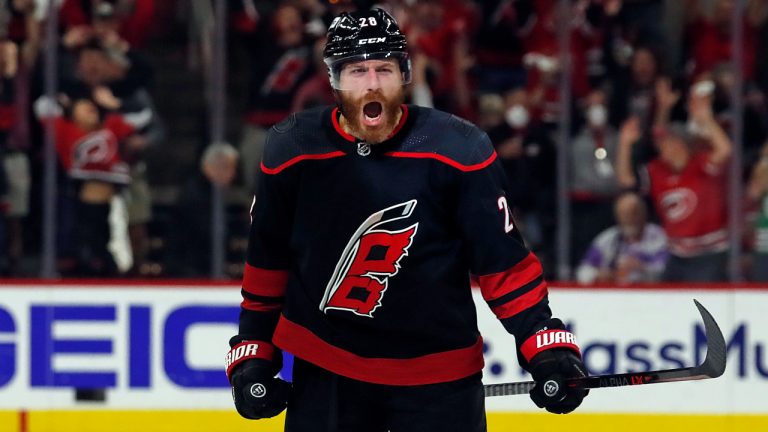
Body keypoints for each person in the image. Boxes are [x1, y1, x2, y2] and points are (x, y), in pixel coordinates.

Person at [224, 9, 588, 431]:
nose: (373, 83)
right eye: (357, 71)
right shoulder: (292, 148)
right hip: (327, 373)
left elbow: (502, 265)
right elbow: (268, 263)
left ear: (406, 75)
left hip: (438, 375)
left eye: (384, 69)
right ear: (334, 80)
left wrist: (543, 344)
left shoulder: (459, 149)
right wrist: (253, 349)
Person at [616, 82, 732, 282]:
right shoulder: (657, 170)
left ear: (679, 143)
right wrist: (624, 144)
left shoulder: (701, 164)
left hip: (709, 254)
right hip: (677, 255)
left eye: (666, 143)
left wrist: (706, 120)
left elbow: (725, 150)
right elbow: (625, 180)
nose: (662, 148)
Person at [575, 192, 668, 285]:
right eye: (623, 214)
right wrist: (599, 274)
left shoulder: (659, 238)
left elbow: (667, 272)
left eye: (633, 213)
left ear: (643, 213)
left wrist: (641, 267)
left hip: (649, 293)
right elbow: (582, 272)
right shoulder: (607, 239)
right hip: (613, 294)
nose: (628, 219)